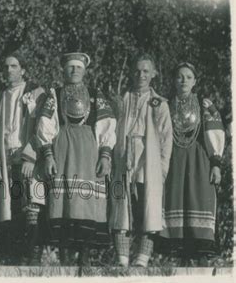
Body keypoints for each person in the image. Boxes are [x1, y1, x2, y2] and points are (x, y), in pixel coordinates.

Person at [36, 52, 116, 266]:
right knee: (63, 203)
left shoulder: (95, 94)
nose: (74, 71)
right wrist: (49, 156)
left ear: (85, 70)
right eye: (71, 67)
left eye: (78, 67)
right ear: (64, 70)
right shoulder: (56, 94)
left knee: (86, 204)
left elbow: (106, 125)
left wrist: (105, 156)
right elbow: (45, 124)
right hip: (63, 151)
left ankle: (85, 259)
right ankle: (64, 259)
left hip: (89, 154)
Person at [109, 53, 173, 267]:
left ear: (154, 74)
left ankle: (141, 261)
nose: (141, 75)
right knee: (121, 208)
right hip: (123, 157)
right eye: (137, 70)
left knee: (147, 208)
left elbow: (166, 139)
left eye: (146, 71)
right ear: (131, 72)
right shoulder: (122, 99)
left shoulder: (159, 104)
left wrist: (162, 169)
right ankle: (122, 260)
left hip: (148, 161)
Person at [159, 62, 224, 266]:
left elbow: (215, 133)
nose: (184, 80)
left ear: (195, 81)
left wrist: (215, 163)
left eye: (188, 77)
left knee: (199, 199)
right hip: (174, 160)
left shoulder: (204, 105)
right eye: (180, 76)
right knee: (176, 201)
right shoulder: (165, 105)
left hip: (199, 160)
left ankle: (203, 261)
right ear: (173, 80)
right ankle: (183, 263)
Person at [0, 51, 46, 265]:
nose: (9, 70)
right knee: (9, 207)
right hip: (7, 159)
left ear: (23, 70)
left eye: (13, 66)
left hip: (29, 157)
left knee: (31, 205)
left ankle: (33, 255)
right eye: (6, 67)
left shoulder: (36, 93)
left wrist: (31, 155)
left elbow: (44, 126)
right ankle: (12, 256)